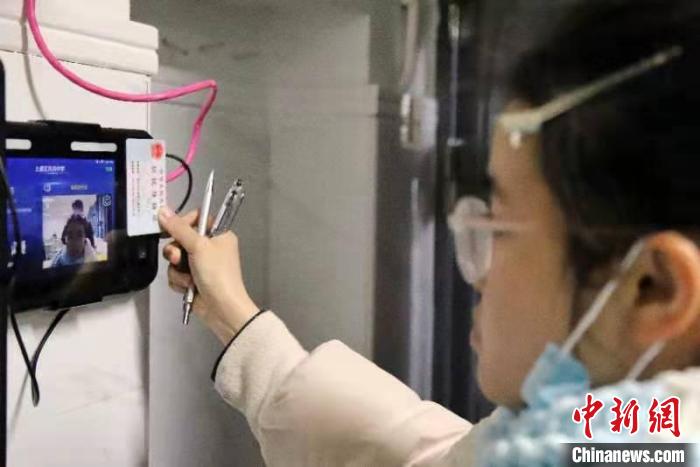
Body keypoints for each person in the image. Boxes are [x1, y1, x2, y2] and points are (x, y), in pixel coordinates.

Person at [159, 1, 700, 465]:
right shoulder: (619, 438)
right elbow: (431, 455)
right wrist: (232, 313)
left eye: (498, 226)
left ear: (652, 288)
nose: (478, 275)